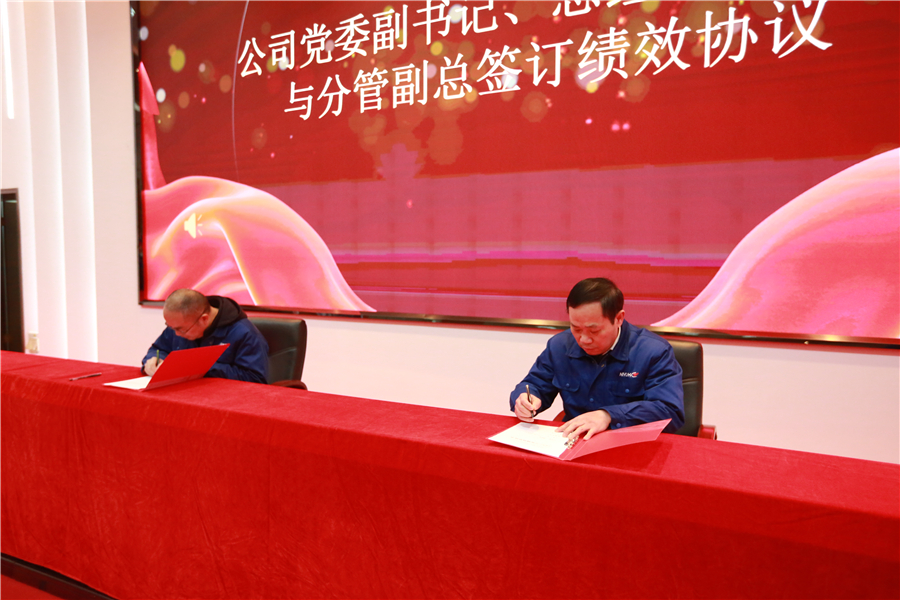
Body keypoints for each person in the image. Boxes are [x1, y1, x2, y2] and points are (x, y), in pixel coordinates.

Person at [510, 278, 684, 441]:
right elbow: (534, 384)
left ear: (618, 319)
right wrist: (525, 399)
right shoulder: (560, 346)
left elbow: (670, 412)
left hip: (629, 445)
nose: (584, 339)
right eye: (576, 328)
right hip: (574, 442)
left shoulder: (653, 352)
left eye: (594, 331)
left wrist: (609, 416)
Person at [142, 289, 268, 384]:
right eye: (170, 327)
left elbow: (255, 379)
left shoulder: (245, 333)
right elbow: (159, 349)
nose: (176, 334)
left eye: (181, 330)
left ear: (204, 319)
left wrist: (202, 367)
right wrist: (154, 360)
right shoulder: (181, 323)